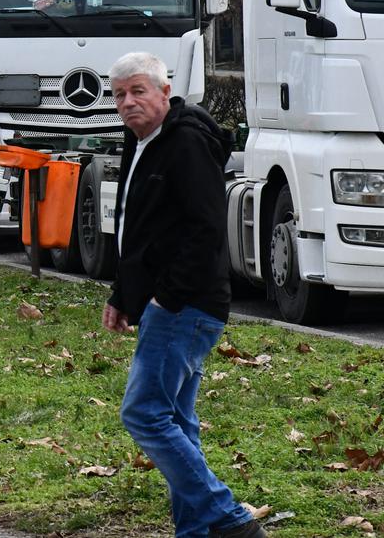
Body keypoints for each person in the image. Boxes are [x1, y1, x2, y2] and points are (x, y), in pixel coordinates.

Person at [104, 51, 265, 538]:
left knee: (144, 413)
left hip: (185, 305)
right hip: (168, 302)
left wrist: (166, 298)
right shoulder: (140, 142)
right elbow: (139, 228)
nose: (128, 103)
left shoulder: (185, 144)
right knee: (175, 416)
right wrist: (121, 293)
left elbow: (206, 229)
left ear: (164, 93)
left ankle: (228, 518)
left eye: (139, 91)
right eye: (120, 95)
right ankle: (196, 531)